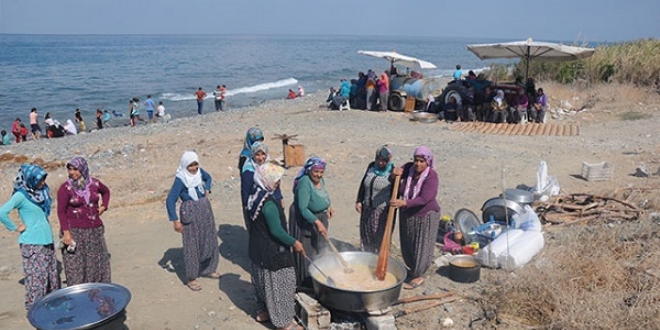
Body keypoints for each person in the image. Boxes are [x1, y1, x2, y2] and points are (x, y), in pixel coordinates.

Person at [247, 162, 304, 330]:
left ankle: (264, 311)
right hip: (271, 251)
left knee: (263, 283)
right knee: (283, 283)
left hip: (256, 248)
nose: (278, 183)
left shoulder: (255, 194)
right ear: (267, 180)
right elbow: (277, 231)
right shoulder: (269, 204)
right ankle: (284, 323)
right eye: (276, 180)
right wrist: (295, 242)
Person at [0, 164, 59, 310]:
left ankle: (49, 308)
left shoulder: (41, 193)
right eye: (39, 180)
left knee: (50, 276)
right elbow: (2, 212)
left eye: (44, 179)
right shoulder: (21, 195)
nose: (42, 183)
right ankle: (35, 310)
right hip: (32, 243)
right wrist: (15, 227)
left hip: (47, 240)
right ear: (30, 179)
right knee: (36, 279)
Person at [166, 151, 219, 291]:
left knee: (209, 239)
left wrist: (207, 190)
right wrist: (175, 221)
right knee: (192, 246)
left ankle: (208, 269)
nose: (194, 168)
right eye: (190, 165)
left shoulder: (200, 173)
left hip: (204, 210)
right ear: (185, 165)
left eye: (196, 164)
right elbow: (170, 200)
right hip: (189, 213)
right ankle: (191, 278)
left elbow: (208, 178)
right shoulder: (181, 179)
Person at [390, 146, 441, 290]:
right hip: (407, 213)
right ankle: (413, 269)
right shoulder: (408, 168)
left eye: (422, 161)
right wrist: (394, 174)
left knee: (422, 246)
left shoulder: (431, 176)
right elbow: (393, 177)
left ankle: (419, 275)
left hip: (425, 215)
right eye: (416, 160)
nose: (418, 164)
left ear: (428, 162)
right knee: (408, 243)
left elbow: (425, 198)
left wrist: (404, 202)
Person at [57, 157, 112, 286]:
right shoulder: (65, 189)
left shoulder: (94, 184)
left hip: (94, 231)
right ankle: (79, 298)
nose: (72, 173)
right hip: (74, 232)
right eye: (70, 169)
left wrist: (104, 206)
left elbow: (106, 192)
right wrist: (66, 233)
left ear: (83, 169)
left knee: (97, 264)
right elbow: (61, 212)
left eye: (75, 169)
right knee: (76, 267)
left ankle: (98, 295)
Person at [289, 156, 333, 288]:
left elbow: (322, 195)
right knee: (307, 251)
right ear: (309, 170)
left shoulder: (320, 180)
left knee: (319, 248)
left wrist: (328, 206)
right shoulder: (304, 183)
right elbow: (303, 208)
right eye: (316, 172)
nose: (318, 175)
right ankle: (305, 284)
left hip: (318, 218)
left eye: (321, 172)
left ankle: (318, 280)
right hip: (306, 221)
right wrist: (317, 223)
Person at [355, 145, 395, 253]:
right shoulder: (371, 167)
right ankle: (367, 256)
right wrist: (359, 200)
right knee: (366, 236)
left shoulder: (393, 172)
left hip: (381, 212)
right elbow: (364, 184)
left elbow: (395, 193)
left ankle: (379, 260)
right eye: (378, 160)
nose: (381, 163)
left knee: (379, 238)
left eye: (384, 161)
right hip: (367, 209)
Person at [241, 142, 284, 229]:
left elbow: (276, 185)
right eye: (257, 155)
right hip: (258, 207)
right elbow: (246, 193)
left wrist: (280, 199)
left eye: (263, 154)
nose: (261, 158)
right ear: (253, 155)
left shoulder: (270, 167)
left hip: (274, 202)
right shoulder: (249, 171)